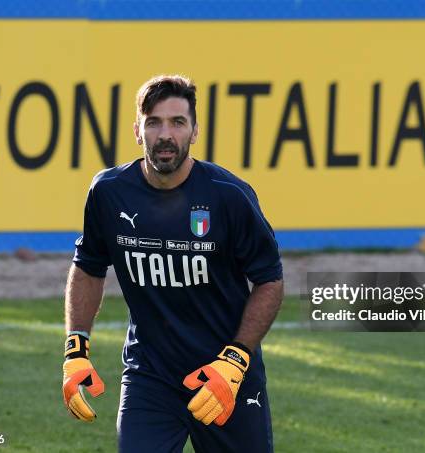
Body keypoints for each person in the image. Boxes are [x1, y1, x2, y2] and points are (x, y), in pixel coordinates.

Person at [62, 74, 284, 453]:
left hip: (226, 375)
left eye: (178, 123)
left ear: (194, 131)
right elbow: (88, 266)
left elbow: (269, 281)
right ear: (138, 130)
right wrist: (75, 348)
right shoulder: (108, 192)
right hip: (150, 378)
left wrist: (236, 360)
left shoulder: (229, 196)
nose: (166, 135)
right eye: (154, 122)